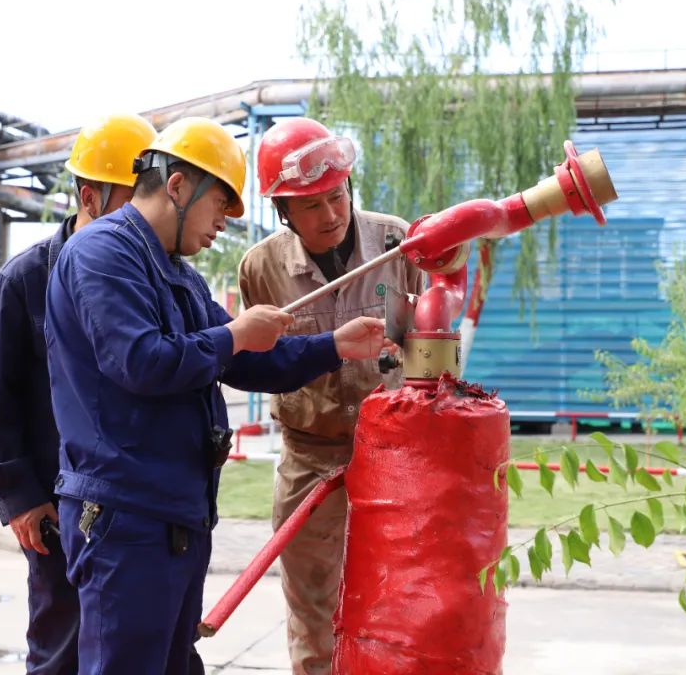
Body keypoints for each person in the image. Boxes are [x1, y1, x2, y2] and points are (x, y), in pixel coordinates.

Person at [44, 116, 386, 675]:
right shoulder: (103, 254)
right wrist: (233, 333)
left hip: (172, 515)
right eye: (216, 211)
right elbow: (140, 361)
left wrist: (334, 346)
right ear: (177, 185)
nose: (218, 230)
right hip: (125, 516)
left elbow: (248, 361)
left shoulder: (176, 274)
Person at [0, 113, 157, 674]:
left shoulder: (149, 277)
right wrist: (21, 498)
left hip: (133, 506)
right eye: (130, 201)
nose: (142, 219)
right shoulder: (24, 280)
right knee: (62, 648)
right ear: (88, 195)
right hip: (58, 513)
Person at [238, 116, 427, 675]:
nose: (331, 214)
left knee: (397, 607)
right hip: (309, 459)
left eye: (337, 196)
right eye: (312, 205)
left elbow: (427, 348)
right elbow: (257, 365)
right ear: (283, 212)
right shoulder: (262, 269)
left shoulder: (398, 243)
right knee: (314, 614)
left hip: (391, 460)